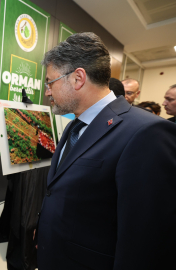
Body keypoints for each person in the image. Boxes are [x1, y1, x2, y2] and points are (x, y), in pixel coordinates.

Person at [35, 32, 176, 269]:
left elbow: (146, 239)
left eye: (50, 82)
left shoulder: (146, 133)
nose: (47, 91)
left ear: (78, 78)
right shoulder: (74, 125)